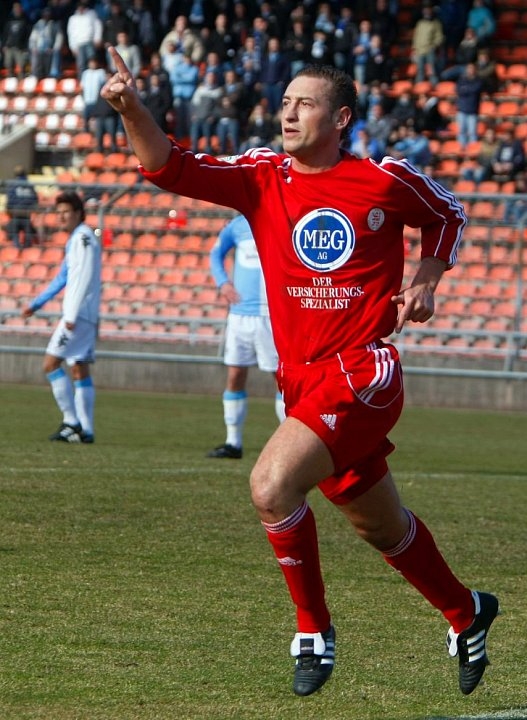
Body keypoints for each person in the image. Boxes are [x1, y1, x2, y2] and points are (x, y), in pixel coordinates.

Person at [102, 50, 500, 698]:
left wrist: (425, 281)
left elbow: (447, 213)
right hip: (301, 382)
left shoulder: (382, 178)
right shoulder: (262, 177)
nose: (288, 113)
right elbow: (168, 166)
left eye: (304, 103)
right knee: (380, 527)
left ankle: (312, 630)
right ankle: (466, 610)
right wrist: (130, 107)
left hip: (362, 371)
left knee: (270, 486)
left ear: (340, 118)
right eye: (285, 102)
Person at [22, 192, 101, 444]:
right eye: (59, 213)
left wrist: (71, 313)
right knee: (79, 368)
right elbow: (63, 277)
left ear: (78, 213)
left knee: (50, 364)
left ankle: (71, 422)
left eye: (66, 211)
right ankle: (86, 430)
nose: (62, 217)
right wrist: (36, 303)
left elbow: (84, 276)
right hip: (85, 315)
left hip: (79, 315)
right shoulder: (76, 239)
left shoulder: (83, 237)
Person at [207, 214, 286, 459]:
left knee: (283, 380)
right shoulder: (237, 225)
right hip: (240, 314)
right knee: (235, 375)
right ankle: (233, 442)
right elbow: (215, 254)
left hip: (272, 314)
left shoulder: (281, 219)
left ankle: (289, 443)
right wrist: (223, 283)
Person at [6, 165, 39, 249]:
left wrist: (10, 211)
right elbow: (35, 200)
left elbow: (9, 202)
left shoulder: (13, 185)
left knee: (15, 238)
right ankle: (26, 250)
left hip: (16, 215)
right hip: (26, 215)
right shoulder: (29, 185)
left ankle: (17, 250)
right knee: (28, 239)